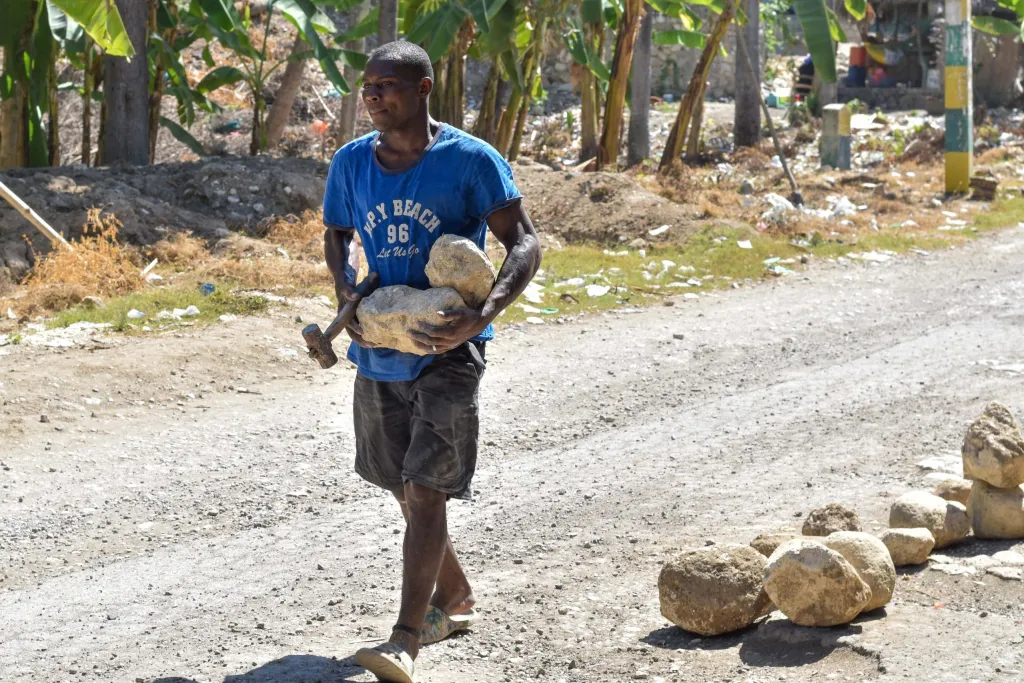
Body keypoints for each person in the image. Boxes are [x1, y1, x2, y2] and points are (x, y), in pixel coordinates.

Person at [321, 40, 542, 683]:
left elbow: (523, 241)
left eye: (387, 86)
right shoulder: (350, 163)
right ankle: (457, 596)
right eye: (368, 87)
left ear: (422, 90)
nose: (372, 97)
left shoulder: (470, 161)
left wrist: (485, 314)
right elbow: (337, 232)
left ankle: (405, 639)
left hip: (450, 347)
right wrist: (345, 290)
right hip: (379, 347)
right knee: (397, 482)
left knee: (426, 489)